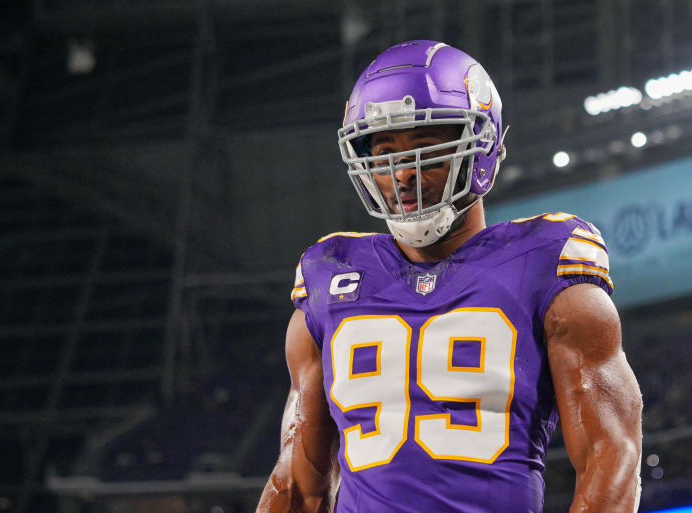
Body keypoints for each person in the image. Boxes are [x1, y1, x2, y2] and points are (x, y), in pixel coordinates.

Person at [256, 40, 642, 513]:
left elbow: (611, 452)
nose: (403, 174)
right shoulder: (328, 275)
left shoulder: (545, 260)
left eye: (425, 148)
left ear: (480, 148)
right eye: (384, 152)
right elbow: (297, 482)